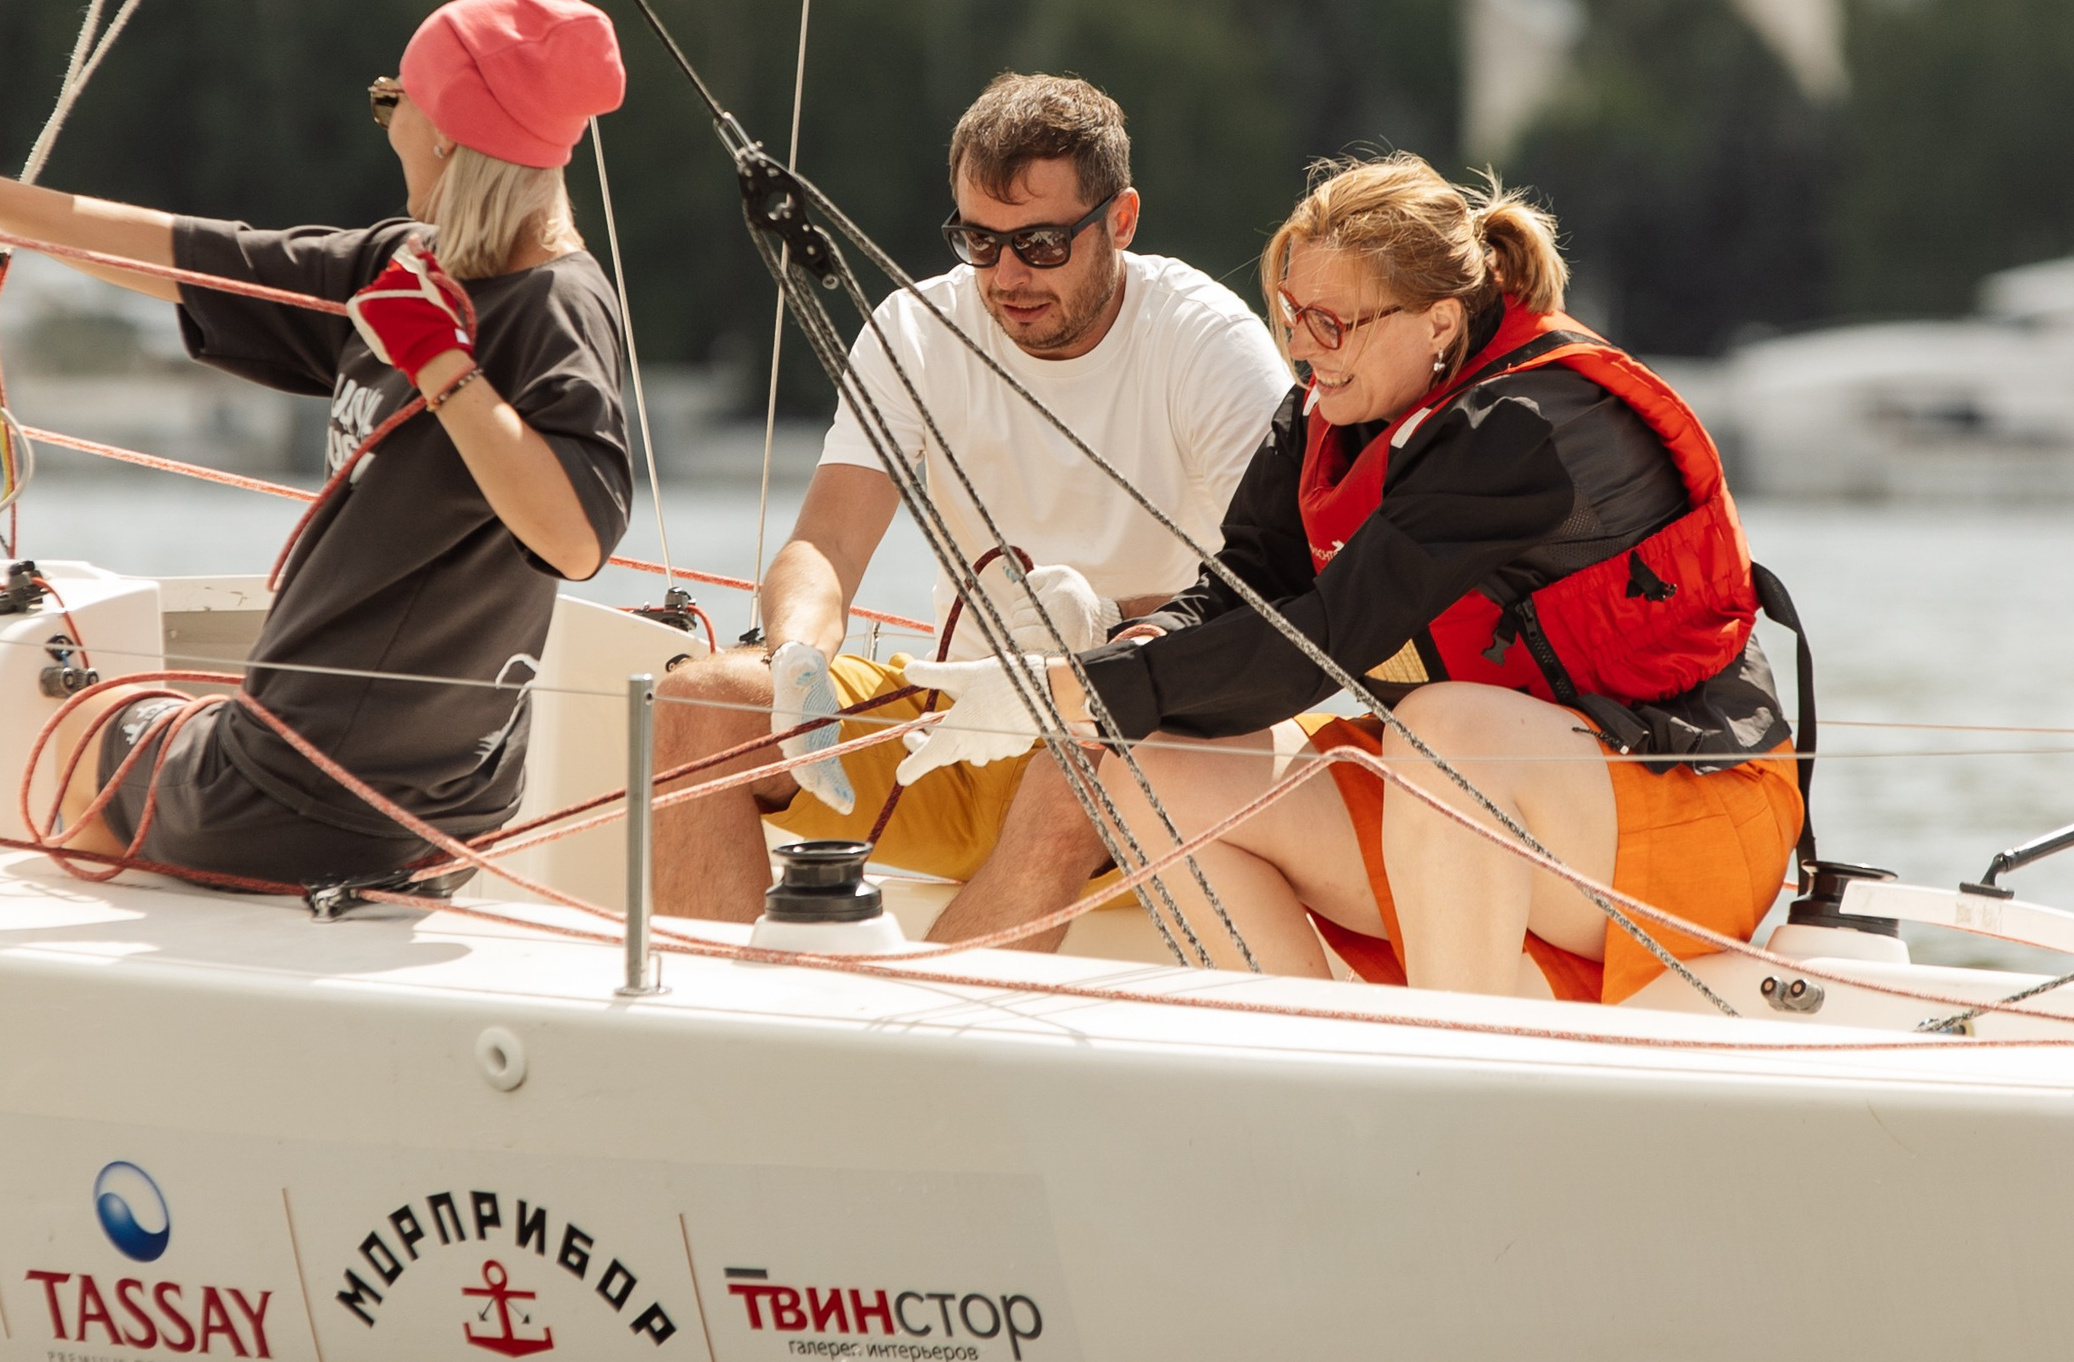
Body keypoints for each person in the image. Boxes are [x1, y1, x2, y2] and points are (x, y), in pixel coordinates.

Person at [0, 0, 635, 895]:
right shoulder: (406, 265)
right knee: (154, 720)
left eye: (394, 100)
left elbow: (575, 537)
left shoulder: (550, 305)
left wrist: (445, 369)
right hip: (424, 801)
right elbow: (185, 255)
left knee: (65, 728)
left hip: (300, 794)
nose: (386, 122)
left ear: (443, 132)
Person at [904, 153, 1804, 1001]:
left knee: (1445, 729)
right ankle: (1309, 1071)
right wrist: (1132, 648)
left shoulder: (1525, 432)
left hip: (1687, 810)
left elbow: (1316, 640)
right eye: (1291, 315)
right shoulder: (1324, 414)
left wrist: (1062, 692)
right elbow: (1238, 590)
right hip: (1491, 806)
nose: (1303, 349)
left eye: (1331, 324)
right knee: (1141, 764)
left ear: (1440, 323)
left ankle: (1450, 1089)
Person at [652, 72, 1300, 954]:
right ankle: (734, 1057)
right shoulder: (914, 328)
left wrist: (1106, 628)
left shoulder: (1209, 343)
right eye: (977, 241)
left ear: (1121, 220)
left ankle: (912, 1078)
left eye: (1038, 243)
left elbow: (1274, 600)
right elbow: (827, 541)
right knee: (699, 704)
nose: (1005, 277)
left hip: (1147, 729)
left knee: (1077, 761)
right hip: (961, 721)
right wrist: (798, 650)